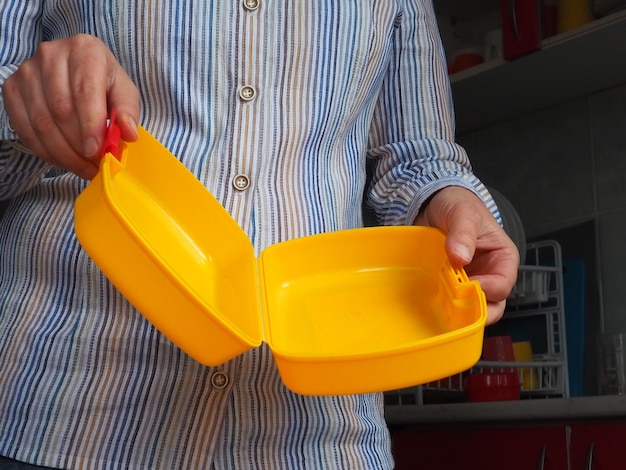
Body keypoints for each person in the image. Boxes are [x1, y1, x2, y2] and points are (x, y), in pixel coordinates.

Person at [0, 1, 519, 469]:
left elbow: (417, 154)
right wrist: (21, 106)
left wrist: (450, 198)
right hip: (69, 404)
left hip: (319, 439)